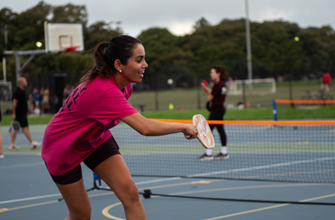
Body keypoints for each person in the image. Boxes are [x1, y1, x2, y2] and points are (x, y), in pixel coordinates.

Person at [41, 35, 198, 220]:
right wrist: (183, 127)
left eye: (144, 59)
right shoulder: (105, 90)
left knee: (130, 194)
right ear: (118, 65)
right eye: (139, 60)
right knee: (81, 214)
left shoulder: (125, 86)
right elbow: (145, 127)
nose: (145, 64)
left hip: (94, 138)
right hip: (62, 147)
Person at [198, 65, 228, 161]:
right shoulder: (222, 84)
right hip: (220, 109)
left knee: (208, 130)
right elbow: (215, 95)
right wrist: (208, 91)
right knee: (220, 130)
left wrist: (208, 93)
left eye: (212, 72)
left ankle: (208, 154)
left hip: (216, 110)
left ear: (218, 74)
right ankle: (224, 152)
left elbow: (210, 98)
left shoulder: (217, 84)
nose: (211, 74)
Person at [8, 77, 38, 150]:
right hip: (19, 114)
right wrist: (14, 113)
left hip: (22, 113)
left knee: (15, 129)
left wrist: (26, 111)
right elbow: (14, 103)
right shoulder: (17, 92)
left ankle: (12, 144)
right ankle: (32, 142)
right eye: (25, 81)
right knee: (25, 128)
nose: (26, 82)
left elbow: (23, 103)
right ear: (21, 83)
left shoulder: (23, 91)